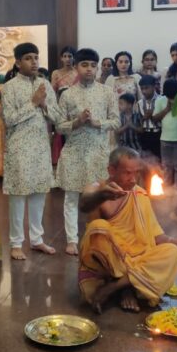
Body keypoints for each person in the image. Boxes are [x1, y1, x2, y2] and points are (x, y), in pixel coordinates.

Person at [78, 147, 177, 313]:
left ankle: (116, 287)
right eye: (128, 173)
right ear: (111, 170)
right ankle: (130, 285)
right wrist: (102, 196)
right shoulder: (98, 188)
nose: (133, 179)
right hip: (110, 260)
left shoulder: (139, 194)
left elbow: (155, 234)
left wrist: (175, 242)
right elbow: (84, 204)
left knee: (172, 252)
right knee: (98, 227)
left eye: (137, 173)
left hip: (137, 257)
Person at [56, 48, 120, 256]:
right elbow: (59, 126)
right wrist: (77, 122)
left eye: (93, 65)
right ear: (76, 67)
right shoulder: (67, 95)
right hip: (74, 153)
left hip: (99, 153)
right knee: (71, 198)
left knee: (99, 197)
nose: (89, 69)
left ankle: (97, 237)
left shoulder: (107, 92)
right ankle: (72, 240)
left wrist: (96, 122)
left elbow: (116, 122)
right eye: (84, 65)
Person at [1, 43, 61, 260]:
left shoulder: (45, 84)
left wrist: (44, 105)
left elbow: (57, 117)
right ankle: (16, 243)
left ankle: (36, 240)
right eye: (28, 58)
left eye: (36, 57)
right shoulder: (9, 87)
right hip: (19, 147)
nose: (34, 62)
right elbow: (9, 119)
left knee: (39, 193)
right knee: (18, 196)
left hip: (41, 147)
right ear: (18, 62)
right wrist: (33, 103)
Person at [152, 79, 177, 230]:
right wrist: (167, 108)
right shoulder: (161, 100)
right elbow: (155, 118)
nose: (171, 97)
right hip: (165, 140)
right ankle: (167, 204)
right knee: (167, 169)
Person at [50, 46, 77, 165]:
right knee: (61, 135)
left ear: (74, 58)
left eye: (70, 56)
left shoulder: (77, 72)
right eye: (65, 56)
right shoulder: (56, 73)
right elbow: (52, 92)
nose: (67, 59)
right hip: (61, 108)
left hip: (76, 108)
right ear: (61, 58)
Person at [136, 75, 162, 160]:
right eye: (142, 89)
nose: (144, 91)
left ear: (154, 86)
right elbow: (139, 119)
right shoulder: (140, 103)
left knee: (158, 159)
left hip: (158, 133)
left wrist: (152, 115)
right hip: (145, 134)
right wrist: (143, 118)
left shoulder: (161, 100)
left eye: (146, 88)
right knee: (146, 160)